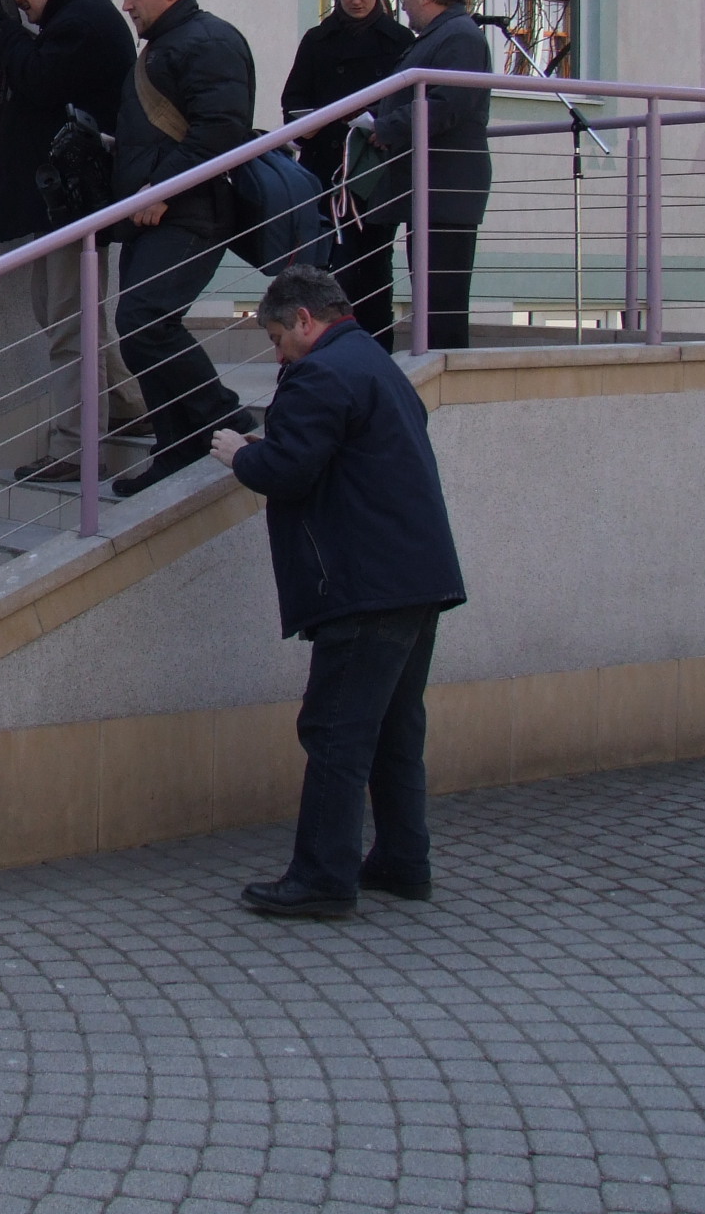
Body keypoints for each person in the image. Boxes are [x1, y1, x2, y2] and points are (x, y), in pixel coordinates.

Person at [210, 265, 465, 920]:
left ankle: (324, 876)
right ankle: (403, 861)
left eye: (277, 338)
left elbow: (288, 470)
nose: (278, 355)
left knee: (335, 729)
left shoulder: (321, 373)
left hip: (363, 583)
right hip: (416, 575)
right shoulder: (373, 362)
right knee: (394, 727)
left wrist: (240, 453)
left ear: (304, 319)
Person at [0, 0, 143, 481]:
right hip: (65, 199)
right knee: (64, 313)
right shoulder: (77, 17)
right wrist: (3, 29)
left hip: (74, 201)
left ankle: (76, 449)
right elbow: (33, 68)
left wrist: (2, 27)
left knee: (70, 323)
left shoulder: (83, 23)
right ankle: (129, 406)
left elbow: (38, 79)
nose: (18, 0)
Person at [108, 0, 260, 495]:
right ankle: (177, 446)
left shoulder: (208, 41)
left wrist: (164, 188)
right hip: (158, 212)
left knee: (145, 322)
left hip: (189, 211)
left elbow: (221, 128)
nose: (127, 4)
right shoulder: (173, 43)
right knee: (138, 331)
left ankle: (224, 416)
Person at [282, 0, 414, 347]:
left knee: (374, 263)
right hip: (326, 164)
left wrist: (380, 125)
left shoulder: (399, 41)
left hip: (375, 167)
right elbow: (294, 100)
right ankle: (325, 348)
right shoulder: (318, 40)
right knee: (325, 263)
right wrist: (311, 123)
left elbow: (409, 103)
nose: (356, 0)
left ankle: (375, 349)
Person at [361, 0, 493, 350]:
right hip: (431, 185)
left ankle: (447, 369)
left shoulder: (460, 36)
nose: (402, 6)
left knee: (443, 297)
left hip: (448, 187)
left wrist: (388, 127)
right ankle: (436, 359)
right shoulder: (442, 35)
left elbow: (448, 104)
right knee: (430, 291)